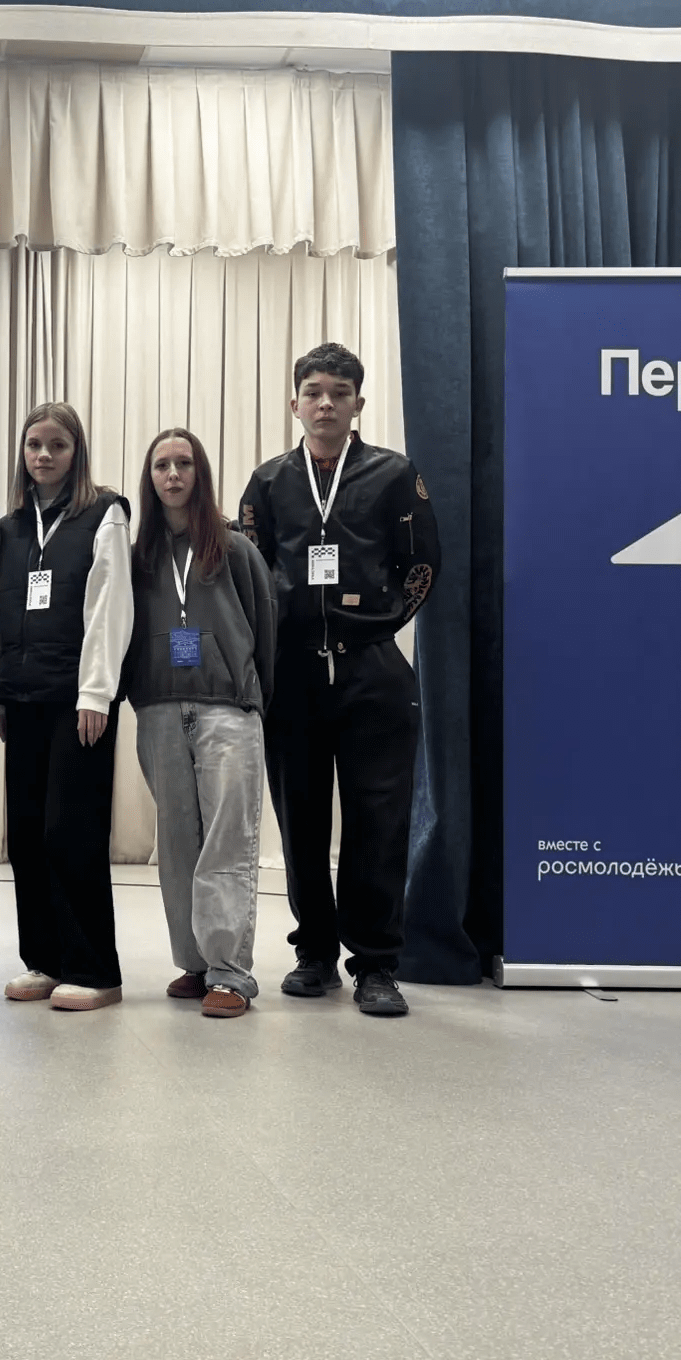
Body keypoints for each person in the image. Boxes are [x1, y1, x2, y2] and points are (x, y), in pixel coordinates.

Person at [237, 342, 439, 1018]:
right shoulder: (268, 482)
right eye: (314, 392)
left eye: (340, 393)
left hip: (372, 673)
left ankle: (376, 965)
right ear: (294, 404)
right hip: (293, 676)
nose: (326, 403)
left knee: (378, 822)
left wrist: (375, 626)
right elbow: (249, 573)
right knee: (300, 821)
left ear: (358, 404)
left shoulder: (393, 474)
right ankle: (315, 954)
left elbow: (422, 564)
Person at [125, 429, 276, 1019]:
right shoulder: (138, 556)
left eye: (183, 463)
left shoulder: (234, 549)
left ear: (200, 473)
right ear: (150, 478)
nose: (173, 474)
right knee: (177, 843)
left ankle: (230, 973)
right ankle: (194, 963)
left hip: (227, 709)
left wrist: (251, 697)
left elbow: (263, 626)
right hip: (159, 710)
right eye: (161, 465)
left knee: (227, 839)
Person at [0, 403, 133, 1012]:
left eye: (57, 445)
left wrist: (96, 692)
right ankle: (44, 960)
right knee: (26, 836)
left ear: (78, 453)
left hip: (79, 703)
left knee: (70, 832)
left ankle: (94, 970)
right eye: (34, 445)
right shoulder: (10, 526)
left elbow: (110, 605)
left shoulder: (105, 513)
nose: (44, 455)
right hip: (22, 698)